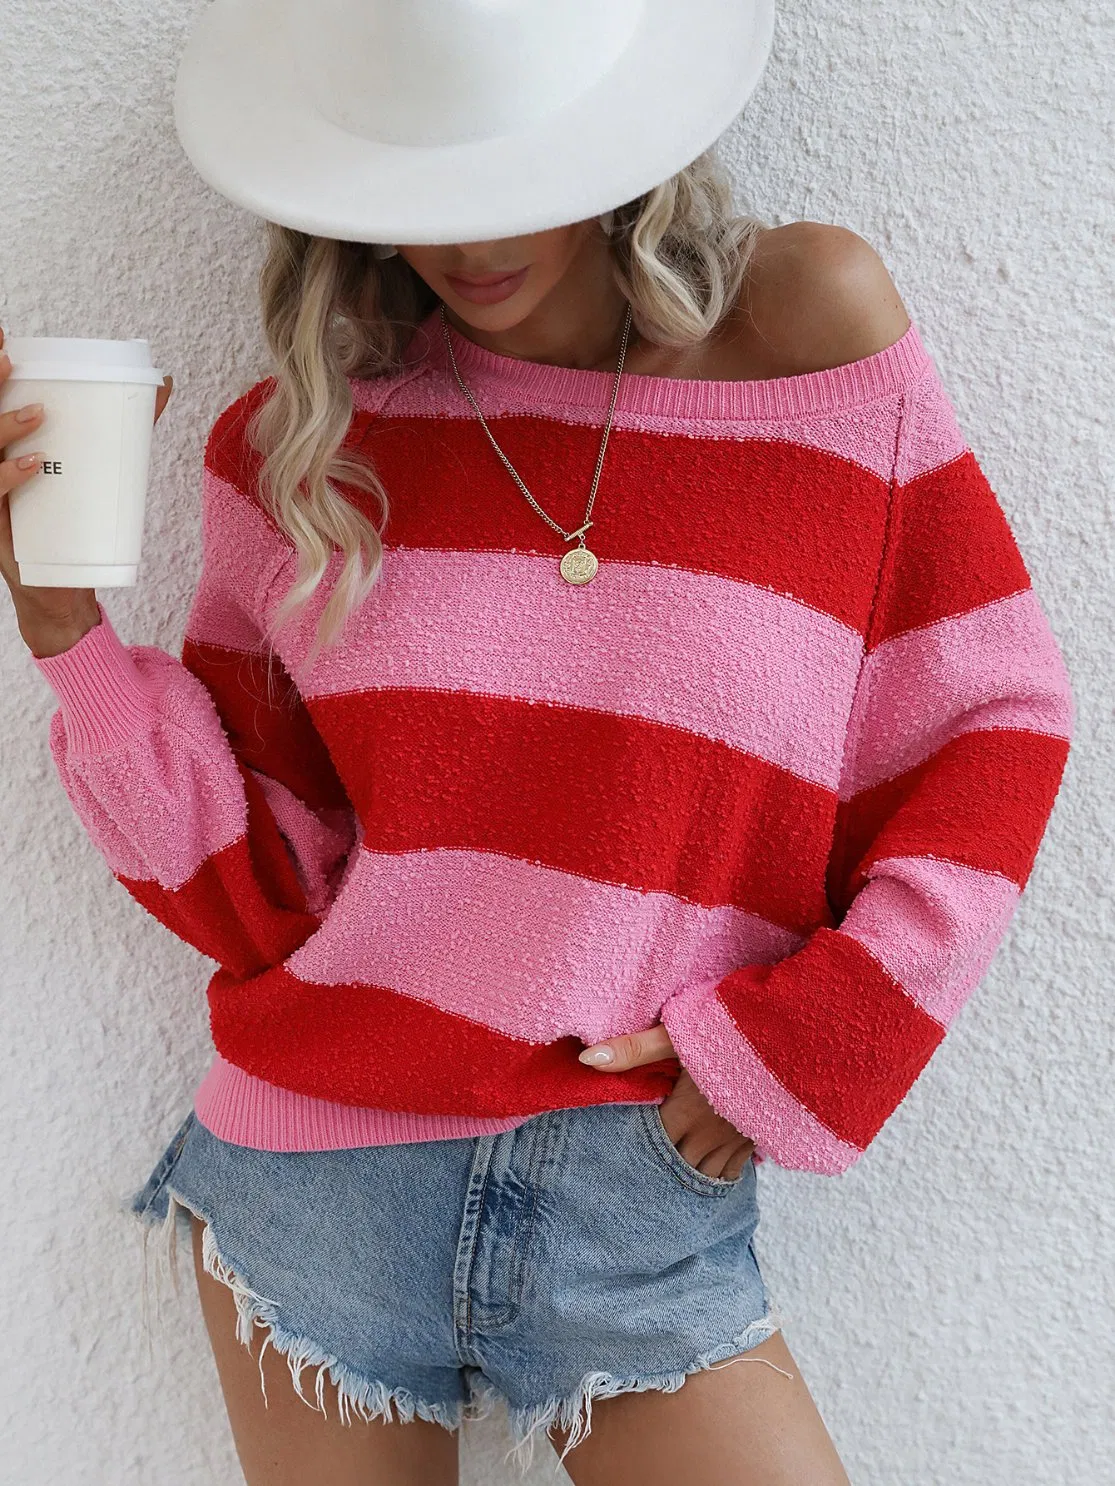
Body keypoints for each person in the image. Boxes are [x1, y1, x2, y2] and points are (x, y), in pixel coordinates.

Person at [1, 3, 1074, 1483]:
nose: (466, 241)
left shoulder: (805, 329)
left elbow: (994, 717)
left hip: (635, 1187)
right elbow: (263, 893)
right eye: (422, 186)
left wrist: (810, 1039)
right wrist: (66, 633)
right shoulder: (297, 452)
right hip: (318, 1177)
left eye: (512, 173)